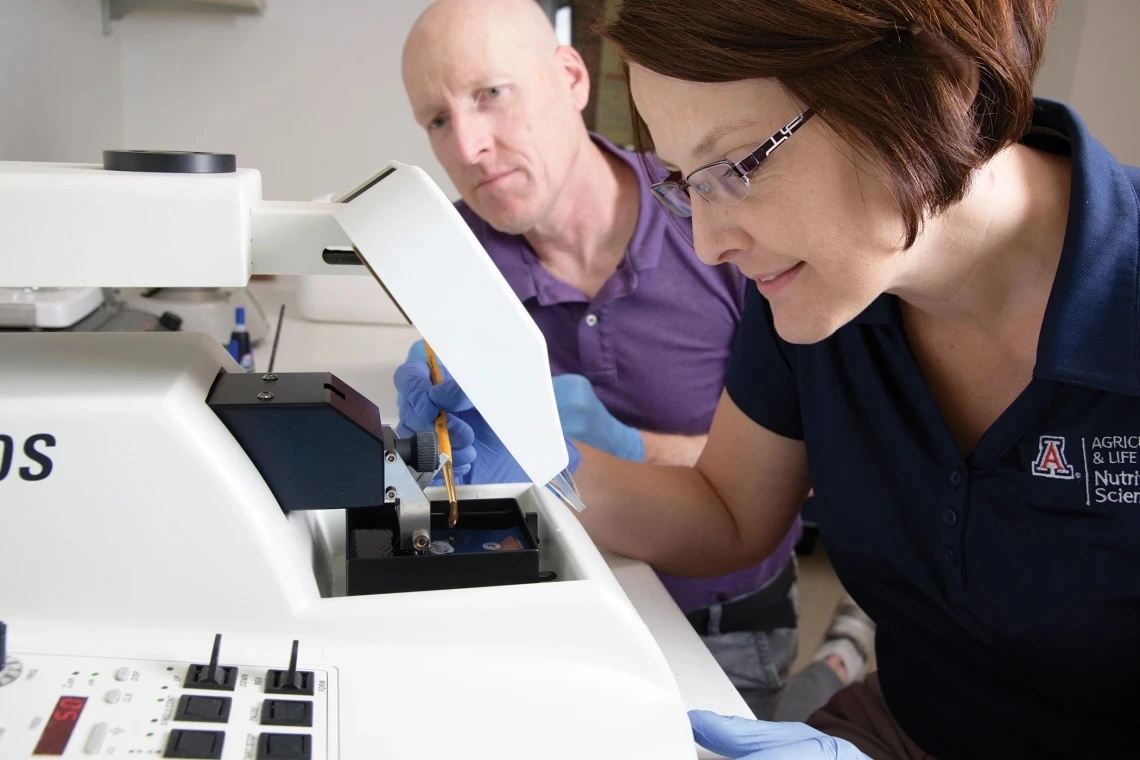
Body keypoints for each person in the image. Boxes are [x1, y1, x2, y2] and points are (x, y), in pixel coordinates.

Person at [395, 0, 1140, 756]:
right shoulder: (824, 291)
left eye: (740, 166)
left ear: (933, 84)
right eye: (687, 183)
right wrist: (543, 471)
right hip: (912, 723)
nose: (710, 244)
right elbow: (730, 512)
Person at [397, 0, 873, 721]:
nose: (467, 145)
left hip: (726, 618)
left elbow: (823, 482)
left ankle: (843, 654)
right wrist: (433, 469)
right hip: (563, 610)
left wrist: (628, 449)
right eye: (437, 120)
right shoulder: (453, 263)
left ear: (570, 77)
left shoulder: (719, 209)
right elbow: (473, 507)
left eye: (490, 95)